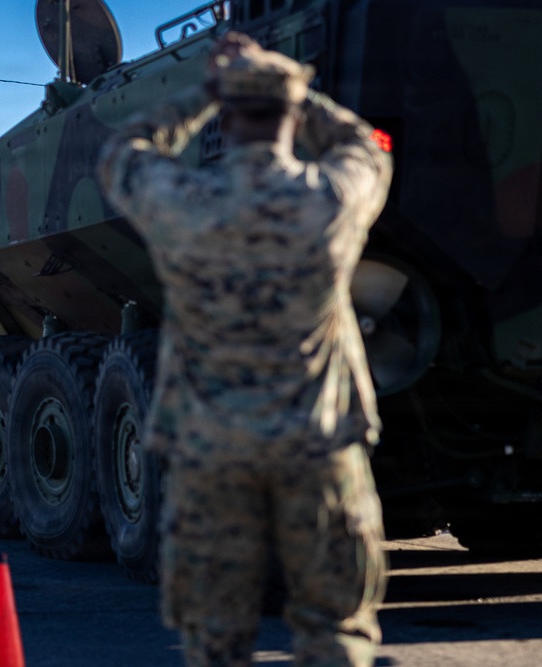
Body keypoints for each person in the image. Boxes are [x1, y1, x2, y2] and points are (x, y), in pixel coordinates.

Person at [98, 33, 392, 667]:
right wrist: (289, 85)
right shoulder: (328, 200)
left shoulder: (185, 206)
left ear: (225, 117)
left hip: (210, 455)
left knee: (214, 640)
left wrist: (210, 88)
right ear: (292, 116)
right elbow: (364, 147)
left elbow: (123, 154)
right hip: (316, 449)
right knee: (336, 630)